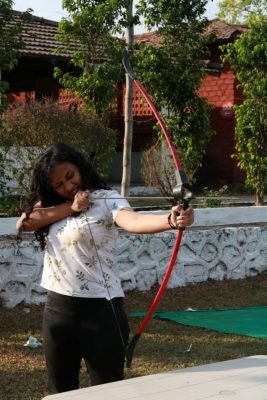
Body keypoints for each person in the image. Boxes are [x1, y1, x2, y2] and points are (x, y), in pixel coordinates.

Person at [16, 142, 194, 394]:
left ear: (80, 168)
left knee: (107, 392)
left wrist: (170, 220)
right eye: (59, 185)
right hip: (58, 310)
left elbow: (133, 221)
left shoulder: (107, 199)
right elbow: (25, 223)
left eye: (70, 176)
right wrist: (71, 207)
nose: (68, 186)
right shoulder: (49, 206)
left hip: (101, 311)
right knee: (60, 390)